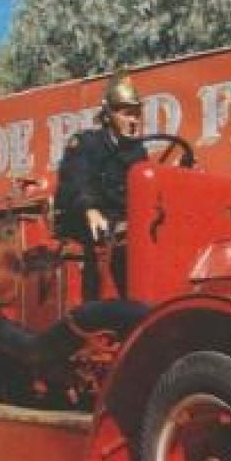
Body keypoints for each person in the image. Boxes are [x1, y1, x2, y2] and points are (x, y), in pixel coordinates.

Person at [55, 69, 148, 299]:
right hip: (90, 231)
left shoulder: (139, 152)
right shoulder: (86, 143)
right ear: (108, 116)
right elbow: (77, 178)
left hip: (126, 228)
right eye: (127, 114)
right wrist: (90, 209)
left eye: (137, 114)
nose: (134, 121)